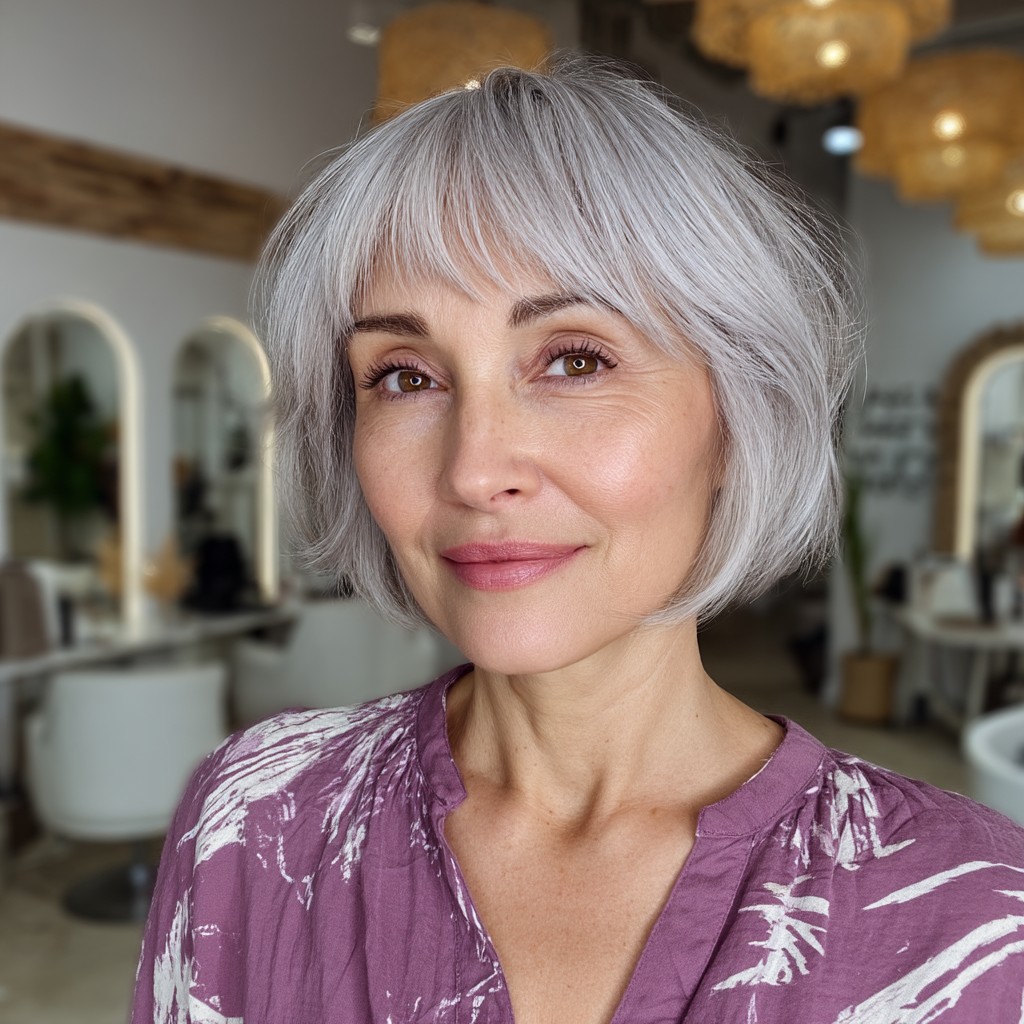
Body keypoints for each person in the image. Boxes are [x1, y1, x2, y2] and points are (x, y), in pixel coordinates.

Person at [131, 59, 1024, 1024]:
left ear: (739, 417)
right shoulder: (253, 816)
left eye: (574, 360)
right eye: (404, 377)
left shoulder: (975, 920)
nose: (475, 470)